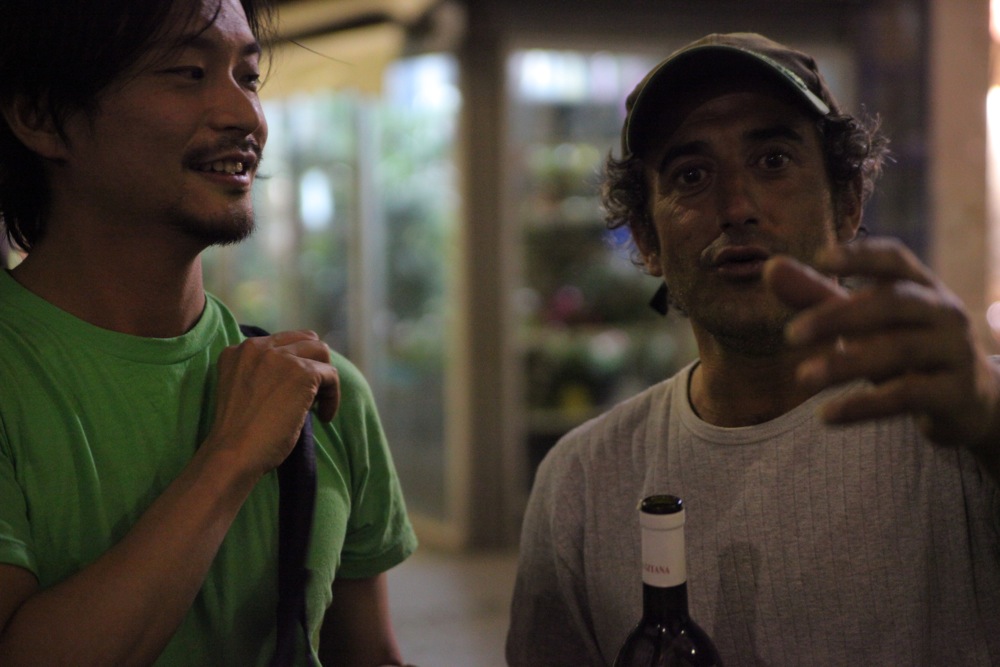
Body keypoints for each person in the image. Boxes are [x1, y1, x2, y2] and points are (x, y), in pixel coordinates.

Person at [507, 32, 1000, 666]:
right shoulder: (579, 484)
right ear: (647, 240)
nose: (737, 207)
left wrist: (990, 416)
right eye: (691, 176)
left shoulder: (961, 416)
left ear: (847, 202)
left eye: (773, 161)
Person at [0, 1, 417, 665]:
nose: (246, 116)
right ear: (41, 117)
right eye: (188, 73)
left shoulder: (323, 393)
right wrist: (232, 455)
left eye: (249, 78)